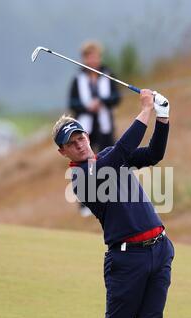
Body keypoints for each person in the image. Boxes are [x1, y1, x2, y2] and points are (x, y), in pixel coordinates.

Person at [53, 89, 174, 318]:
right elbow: (121, 152)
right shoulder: (79, 178)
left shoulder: (108, 155)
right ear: (63, 152)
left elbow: (154, 154)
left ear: (87, 135)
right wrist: (145, 109)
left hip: (160, 249)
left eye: (80, 137)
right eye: (71, 143)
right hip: (128, 259)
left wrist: (162, 119)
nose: (79, 143)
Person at [68, 41, 121, 217]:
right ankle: (85, 203)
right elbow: (72, 103)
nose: (92, 60)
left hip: (105, 125)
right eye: (88, 56)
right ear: (84, 59)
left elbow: (116, 97)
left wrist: (102, 102)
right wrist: (87, 106)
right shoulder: (78, 78)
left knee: (108, 160)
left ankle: (108, 198)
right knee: (85, 164)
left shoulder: (108, 74)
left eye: (95, 56)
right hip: (86, 128)